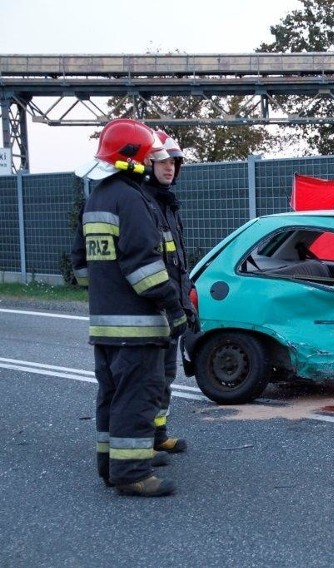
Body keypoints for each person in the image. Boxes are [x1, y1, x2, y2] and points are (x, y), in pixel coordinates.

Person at [71, 118, 187, 497]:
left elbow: (82, 268)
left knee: (111, 397)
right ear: (137, 160)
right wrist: (174, 308)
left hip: (104, 326)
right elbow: (145, 269)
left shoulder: (97, 198)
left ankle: (110, 466)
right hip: (137, 327)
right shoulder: (133, 200)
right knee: (137, 398)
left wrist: (109, 293)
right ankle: (133, 474)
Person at [143, 130, 198, 454]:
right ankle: (141, 441)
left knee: (165, 375)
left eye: (174, 163)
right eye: (163, 161)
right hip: (153, 307)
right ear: (148, 162)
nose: (169, 168)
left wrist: (187, 301)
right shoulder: (143, 202)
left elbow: (178, 262)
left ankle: (157, 435)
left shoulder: (168, 205)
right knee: (148, 379)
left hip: (171, 306)